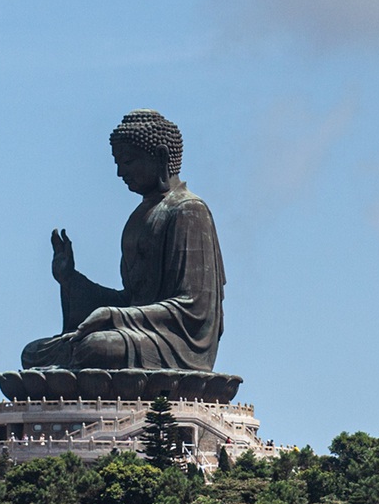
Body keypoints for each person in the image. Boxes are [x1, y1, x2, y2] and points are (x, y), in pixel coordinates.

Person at [20, 110, 225, 372]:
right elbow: (131, 299)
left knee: (95, 347)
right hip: (138, 330)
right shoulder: (139, 217)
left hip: (176, 343)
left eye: (127, 162)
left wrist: (115, 316)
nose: (119, 173)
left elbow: (194, 309)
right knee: (34, 353)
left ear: (160, 156)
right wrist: (70, 280)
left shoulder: (189, 210)